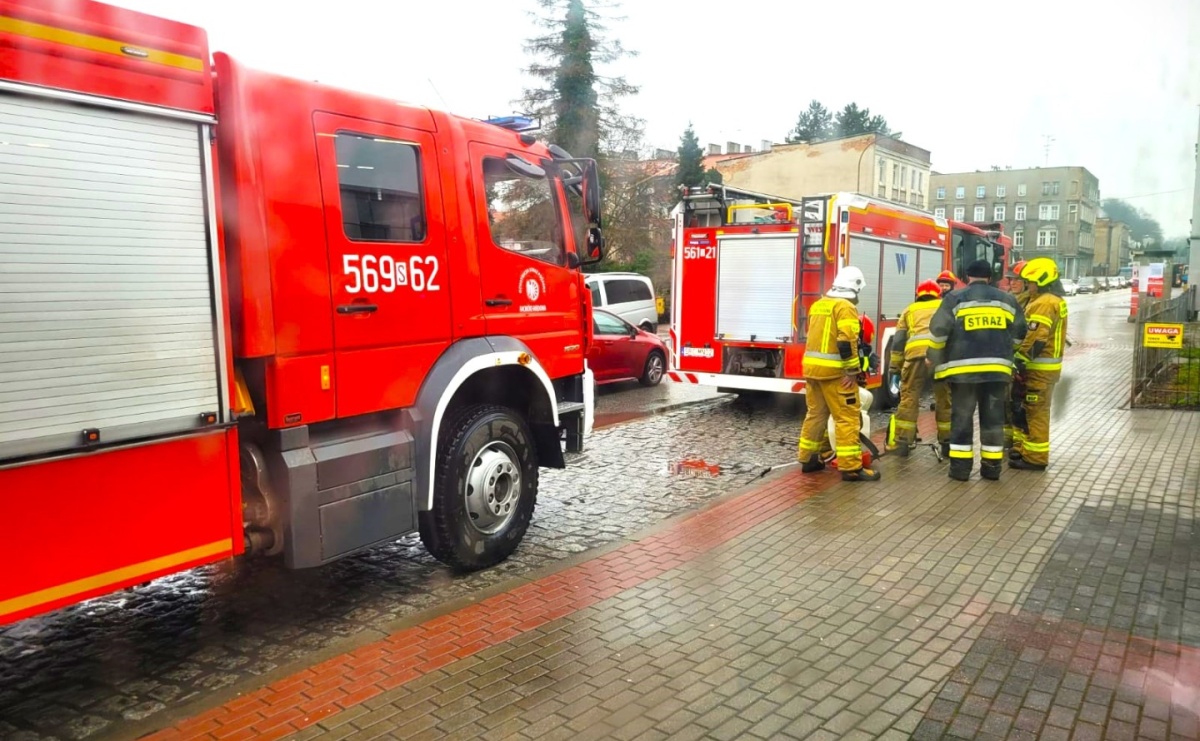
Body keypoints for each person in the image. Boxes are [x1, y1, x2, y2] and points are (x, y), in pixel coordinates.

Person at [927, 259, 1026, 481]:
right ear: (990, 277)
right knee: (993, 420)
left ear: (968, 277)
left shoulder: (954, 298)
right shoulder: (1007, 300)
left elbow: (938, 333)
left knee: (962, 419)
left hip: (963, 375)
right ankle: (991, 469)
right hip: (997, 374)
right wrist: (1007, 350)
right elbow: (1020, 332)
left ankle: (960, 470)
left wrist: (932, 357)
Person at [798, 266, 881, 482]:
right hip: (835, 375)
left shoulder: (818, 304)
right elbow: (846, 341)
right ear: (855, 287)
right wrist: (852, 371)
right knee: (847, 418)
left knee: (815, 416)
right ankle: (851, 467)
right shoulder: (845, 307)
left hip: (812, 371)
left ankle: (809, 460)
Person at [1010, 258, 1068, 471]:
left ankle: (1035, 458)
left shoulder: (1044, 303)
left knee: (1036, 412)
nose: (1028, 285)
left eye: (1030, 282)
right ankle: (1026, 450)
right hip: (1045, 370)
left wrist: (1020, 361)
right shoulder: (1052, 300)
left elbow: (1036, 337)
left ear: (1041, 282)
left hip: (1039, 371)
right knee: (1031, 410)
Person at [885, 280, 951, 457]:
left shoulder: (909, 310)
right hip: (940, 357)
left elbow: (898, 342)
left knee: (909, 398)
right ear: (938, 294)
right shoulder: (946, 306)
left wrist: (894, 369)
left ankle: (902, 443)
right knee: (945, 400)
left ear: (918, 295)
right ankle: (947, 443)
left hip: (914, 357)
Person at [1003, 260, 1030, 452]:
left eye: (1017, 280)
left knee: (1019, 402)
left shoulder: (1032, 302)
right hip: (1006, 358)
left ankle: (1019, 442)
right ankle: (1006, 440)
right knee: (1004, 401)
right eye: (1010, 279)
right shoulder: (1006, 299)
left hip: (1022, 360)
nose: (1012, 283)